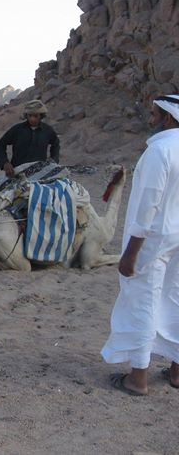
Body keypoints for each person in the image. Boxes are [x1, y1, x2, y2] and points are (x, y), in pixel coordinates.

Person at [101, 94, 179, 396]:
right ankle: (176, 372)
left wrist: (130, 253)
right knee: (175, 299)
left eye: (154, 115)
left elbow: (148, 205)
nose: (150, 120)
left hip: (153, 240)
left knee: (143, 300)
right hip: (177, 237)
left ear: (167, 118)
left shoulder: (159, 151)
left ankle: (138, 378)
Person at [0, 99, 60, 177]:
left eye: (35, 116)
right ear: (26, 116)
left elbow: (56, 144)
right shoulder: (17, 130)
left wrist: (54, 160)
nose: (32, 119)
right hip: (17, 172)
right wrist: (5, 163)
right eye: (30, 115)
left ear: (41, 116)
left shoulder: (47, 130)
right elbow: (1, 145)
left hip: (39, 173)